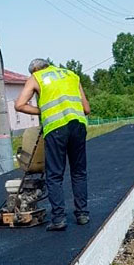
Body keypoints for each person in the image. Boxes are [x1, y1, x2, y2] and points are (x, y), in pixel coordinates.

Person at [15, 59, 90, 231]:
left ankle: (58, 219)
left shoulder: (36, 78)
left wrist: (43, 111)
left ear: (34, 70)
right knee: (79, 172)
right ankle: (82, 214)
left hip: (56, 128)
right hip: (78, 125)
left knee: (54, 175)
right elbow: (86, 109)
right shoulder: (71, 75)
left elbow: (19, 105)